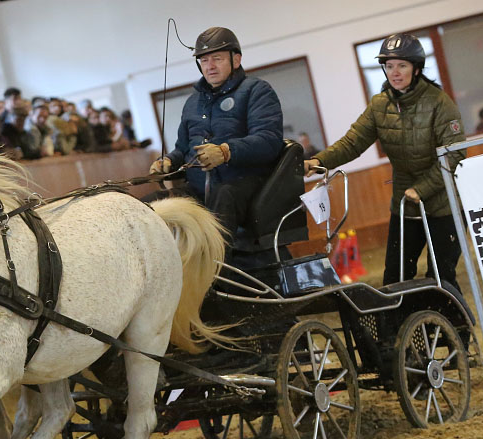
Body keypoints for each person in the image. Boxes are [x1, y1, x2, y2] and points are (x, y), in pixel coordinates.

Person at [304, 33, 466, 291]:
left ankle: (453, 330)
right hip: (404, 203)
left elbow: (455, 154)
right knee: (395, 277)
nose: (395, 72)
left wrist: (421, 189)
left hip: (443, 204)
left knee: (441, 276)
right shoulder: (380, 105)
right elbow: (353, 142)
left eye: (402, 65)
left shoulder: (439, 103)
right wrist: (316, 161)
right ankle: (400, 328)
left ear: (416, 68)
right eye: (389, 66)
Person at [149, 26, 284, 241]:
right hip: (199, 189)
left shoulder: (257, 91)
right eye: (204, 61)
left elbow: (269, 140)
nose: (210, 66)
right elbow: (183, 149)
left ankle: (216, 267)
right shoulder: (193, 102)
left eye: (217, 59)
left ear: (236, 60)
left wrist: (225, 151)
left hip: (245, 186)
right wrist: (167, 162)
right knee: (151, 205)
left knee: (224, 195)